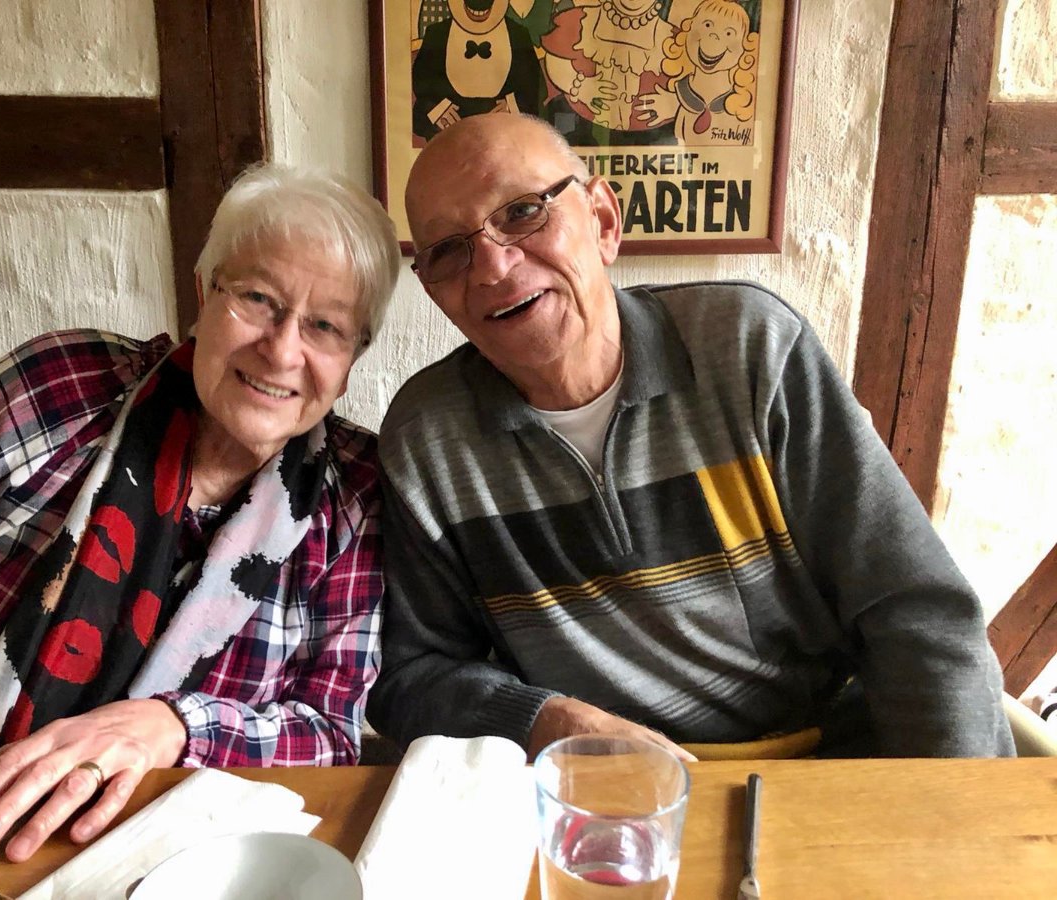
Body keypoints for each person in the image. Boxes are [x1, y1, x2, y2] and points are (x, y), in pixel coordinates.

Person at [365, 113, 1014, 761]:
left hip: (824, 760)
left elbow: (915, 611)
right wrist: (543, 723)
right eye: (446, 250)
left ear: (603, 221)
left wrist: (950, 804)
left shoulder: (749, 348)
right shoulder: (428, 438)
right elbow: (412, 675)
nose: (491, 267)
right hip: (597, 786)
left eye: (522, 212)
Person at [0, 163, 400, 860]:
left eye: (325, 326)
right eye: (259, 298)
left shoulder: (355, 493)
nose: (281, 350)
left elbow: (329, 734)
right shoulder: (60, 388)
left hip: (149, 850)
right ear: (203, 294)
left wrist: (170, 727)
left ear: (353, 358)